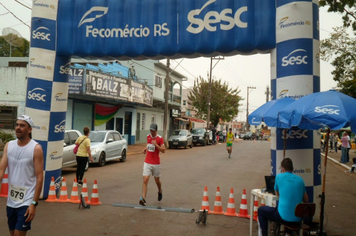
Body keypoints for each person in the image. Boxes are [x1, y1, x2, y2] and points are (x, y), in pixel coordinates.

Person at [0, 115, 44, 235]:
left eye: (22, 125)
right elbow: (1, 169)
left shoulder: (36, 148)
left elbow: (40, 177)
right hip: (11, 200)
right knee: (13, 233)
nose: (18, 128)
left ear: (29, 129)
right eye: (17, 125)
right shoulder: (9, 145)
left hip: (26, 200)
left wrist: (34, 203)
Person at [258, 158, 308, 236]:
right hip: (298, 220)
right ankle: (288, 233)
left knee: (261, 210)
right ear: (292, 168)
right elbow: (306, 200)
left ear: (282, 168)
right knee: (290, 210)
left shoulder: (279, 177)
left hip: (283, 218)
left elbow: (277, 195)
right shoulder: (300, 180)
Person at [140, 123, 165, 206]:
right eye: (151, 130)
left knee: (157, 181)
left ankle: (160, 190)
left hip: (156, 163)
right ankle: (143, 199)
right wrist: (145, 149)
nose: (152, 132)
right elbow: (149, 145)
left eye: (153, 131)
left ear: (156, 131)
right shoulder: (148, 136)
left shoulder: (160, 138)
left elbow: (163, 150)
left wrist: (156, 145)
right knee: (145, 179)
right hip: (147, 162)